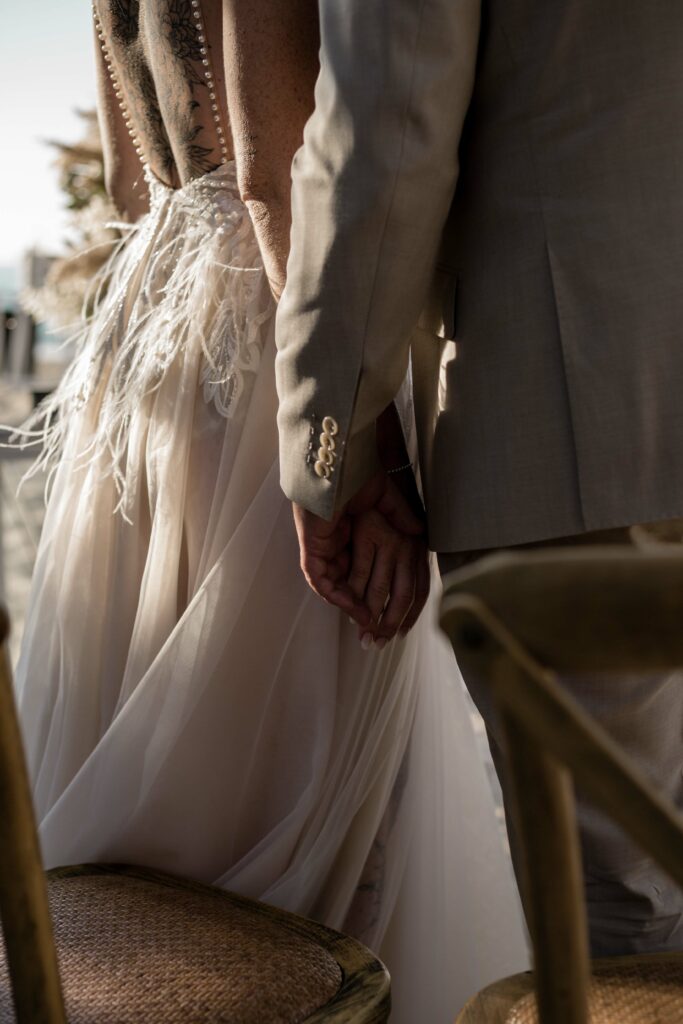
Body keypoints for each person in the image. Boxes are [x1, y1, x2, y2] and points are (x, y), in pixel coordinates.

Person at [12, 1, 528, 1019]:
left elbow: (129, 183)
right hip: (272, 341)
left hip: (146, 339)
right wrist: (354, 451)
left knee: (159, 718)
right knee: (306, 749)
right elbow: (273, 170)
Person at [275, 0, 683, 958]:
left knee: (618, 912)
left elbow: (388, 128)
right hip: (603, 415)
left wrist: (333, 439)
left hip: (587, 405)